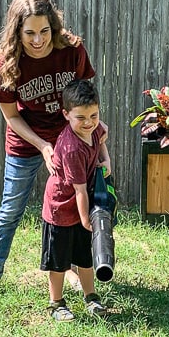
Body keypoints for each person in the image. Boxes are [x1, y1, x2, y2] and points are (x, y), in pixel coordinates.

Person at [0, 0, 96, 304]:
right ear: (17, 32)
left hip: (69, 139)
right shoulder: (7, 66)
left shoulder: (73, 50)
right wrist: (42, 145)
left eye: (44, 31)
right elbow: (11, 117)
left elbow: (84, 97)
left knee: (71, 208)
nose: (38, 40)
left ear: (53, 26)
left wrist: (89, 129)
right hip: (27, 140)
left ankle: (72, 271)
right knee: (10, 210)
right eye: (29, 33)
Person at [40, 79, 111, 321]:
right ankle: (56, 302)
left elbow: (102, 139)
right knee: (59, 261)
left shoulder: (96, 128)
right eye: (81, 117)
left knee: (85, 256)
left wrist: (106, 161)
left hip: (82, 207)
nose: (89, 122)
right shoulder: (71, 148)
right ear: (66, 115)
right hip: (61, 208)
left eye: (94, 114)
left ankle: (91, 296)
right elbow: (80, 190)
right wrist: (85, 220)